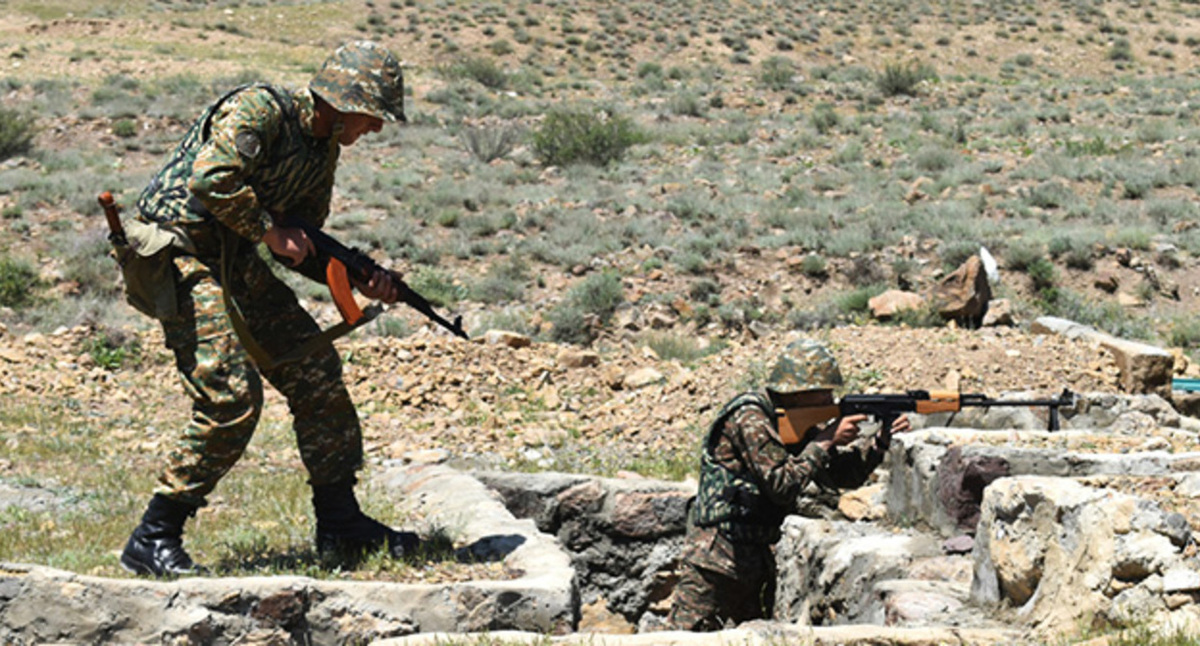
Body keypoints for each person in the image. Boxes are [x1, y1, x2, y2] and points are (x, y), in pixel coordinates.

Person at [119, 40, 420, 577]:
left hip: (233, 255)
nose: (375, 129)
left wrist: (359, 278)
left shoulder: (322, 150)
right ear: (341, 99)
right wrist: (267, 229)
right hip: (178, 248)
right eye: (372, 115)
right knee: (232, 393)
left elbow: (300, 243)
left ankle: (341, 525)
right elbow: (210, 180)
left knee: (315, 370)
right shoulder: (261, 110)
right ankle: (155, 533)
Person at [667, 337, 911, 631]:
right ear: (796, 394)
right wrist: (826, 439)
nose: (829, 404)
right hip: (716, 562)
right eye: (822, 397)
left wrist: (879, 443)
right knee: (681, 638)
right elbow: (781, 485)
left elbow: (839, 475)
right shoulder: (751, 416)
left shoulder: (794, 424)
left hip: (755, 560)